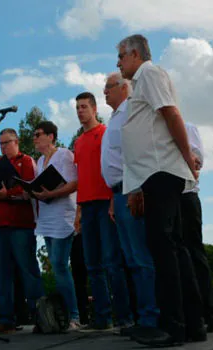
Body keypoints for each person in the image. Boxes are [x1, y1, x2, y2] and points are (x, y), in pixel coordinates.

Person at [117, 34, 205, 346]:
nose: (118, 62)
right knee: (174, 249)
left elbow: (172, 114)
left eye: (121, 56)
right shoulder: (140, 83)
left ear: (136, 54)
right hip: (154, 174)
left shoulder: (150, 73)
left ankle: (173, 326)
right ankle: (192, 324)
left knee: (165, 249)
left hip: (163, 172)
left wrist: (186, 157)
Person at [100, 72, 159, 336]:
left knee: (140, 257)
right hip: (119, 192)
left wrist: (136, 189)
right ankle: (142, 316)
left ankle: (152, 318)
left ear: (124, 88)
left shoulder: (131, 111)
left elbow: (134, 153)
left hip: (132, 189)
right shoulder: (116, 116)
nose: (105, 92)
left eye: (108, 87)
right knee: (131, 260)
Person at [73, 92, 132, 331]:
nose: (79, 111)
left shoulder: (106, 133)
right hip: (86, 207)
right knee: (92, 264)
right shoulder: (78, 141)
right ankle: (102, 317)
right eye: (77, 107)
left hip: (104, 202)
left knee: (112, 262)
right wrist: (77, 210)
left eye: (84, 106)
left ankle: (124, 316)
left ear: (95, 109)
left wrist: (112, 201)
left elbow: (113, 167)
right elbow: (80, 177)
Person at [0, 128, 44, 334]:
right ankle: (6, 319)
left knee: (28, 270)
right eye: (0, 144)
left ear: (16, 142)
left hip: (20, 225)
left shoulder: (26, 161)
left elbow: (30, 188)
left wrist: (8, 194)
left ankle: (40, 317)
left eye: (6, 143)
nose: (3, 147)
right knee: (1, 275)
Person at [32, 121, 80, 331]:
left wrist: (50, 194)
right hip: (47, 217)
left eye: (38, 134)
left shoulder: (64, 155)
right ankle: (63, 315)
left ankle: (74, 315)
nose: (34, 138)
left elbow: (73, 183)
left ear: (51, 136)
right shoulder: (40, 160)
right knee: (54, 265)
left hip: (63, 216)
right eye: (33, 135)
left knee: (60, 264)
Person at [182, 122, 213, 331]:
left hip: (187, 195)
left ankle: (208, 312)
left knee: (195, 253)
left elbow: (197, 162)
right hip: (168, 200)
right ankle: (189, 313)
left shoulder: (187, 127)